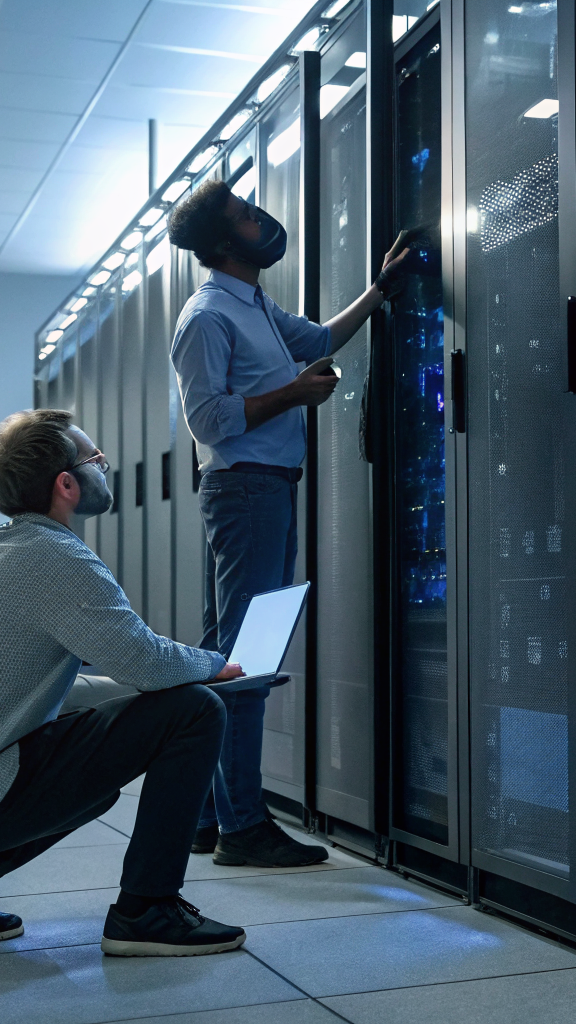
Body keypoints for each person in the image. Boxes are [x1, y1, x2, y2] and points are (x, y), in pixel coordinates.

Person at [0, 409, 251, 957]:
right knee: (196, 709)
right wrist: (212, 665)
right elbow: (146, 662)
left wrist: (147, 690)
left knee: (103, 775)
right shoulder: (57, 558)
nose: (106, 467)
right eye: (96, 459)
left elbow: (59, 690)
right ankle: (146, 910)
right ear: (66, 484)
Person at [166, 180, 410, 866]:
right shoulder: (206, 317)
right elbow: (208, 420)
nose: (260, 220)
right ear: (224, 242)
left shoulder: (255, 306)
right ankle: (243, 826)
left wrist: (380, 290)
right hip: (246, 490)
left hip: (264, 489)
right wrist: (294, 393)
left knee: (223, 655)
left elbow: (322, 337)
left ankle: (206, 816)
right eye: (246, 216)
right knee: (248, 656)